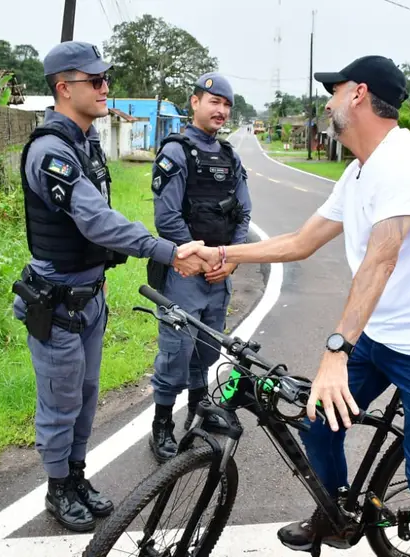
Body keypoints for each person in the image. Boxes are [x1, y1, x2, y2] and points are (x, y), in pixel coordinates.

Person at [179, 55, 410, 556]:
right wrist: (222, 254)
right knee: (319, 426)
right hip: (381, 335)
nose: (328, 103)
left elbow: (381, 259)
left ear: (359, 94)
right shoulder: (360, 171)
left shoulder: (408, 161)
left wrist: (336, 351)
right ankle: (335, 517)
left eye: (335, 91)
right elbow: (301, 242)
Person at [11, 40, 207, 533]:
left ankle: (76, 476)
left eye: (105, 79)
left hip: (90, 298)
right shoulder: (50, 152)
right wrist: (167, 251)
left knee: (86, 396)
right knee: (60, 402)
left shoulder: (86, 141)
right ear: (64, 88)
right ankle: (58, 489)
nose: (105, 88)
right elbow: (96, 220)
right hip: (57, 304)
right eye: (95, 81)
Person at [146, 73, 252, 462]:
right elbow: (167, 218)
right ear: (195, 102)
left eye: (226, 105)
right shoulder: (175, 152)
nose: (221, 110)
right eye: (214, 102)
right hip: (184, 274)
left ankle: (198, 411)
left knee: (207, 351)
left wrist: (232, 258)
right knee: (176, 352)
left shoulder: (230, 156)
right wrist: (204, 256)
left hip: (219, 275)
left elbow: (243, 213)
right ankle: (161, 425)